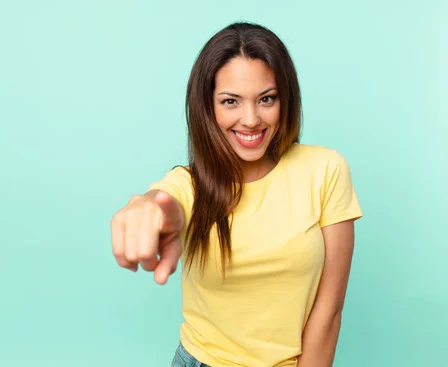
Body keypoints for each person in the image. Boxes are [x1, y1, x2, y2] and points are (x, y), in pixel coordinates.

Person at [110, 22, 362, 367]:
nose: (250, 119)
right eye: (230, 101)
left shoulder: (325, 170)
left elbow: (329, 311)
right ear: (208, 107)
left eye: (266, 99)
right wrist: (149, 210)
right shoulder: (190, 185)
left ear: (284, 99)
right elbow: (166, 203)